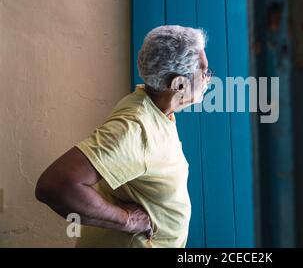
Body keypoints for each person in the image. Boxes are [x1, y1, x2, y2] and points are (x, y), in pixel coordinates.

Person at [35, 25, 212, 247]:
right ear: (177, 84)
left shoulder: (156, 110)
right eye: (204, 71)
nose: (208, 78)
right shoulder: (135, 127)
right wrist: (127, 220)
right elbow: (55, 185)